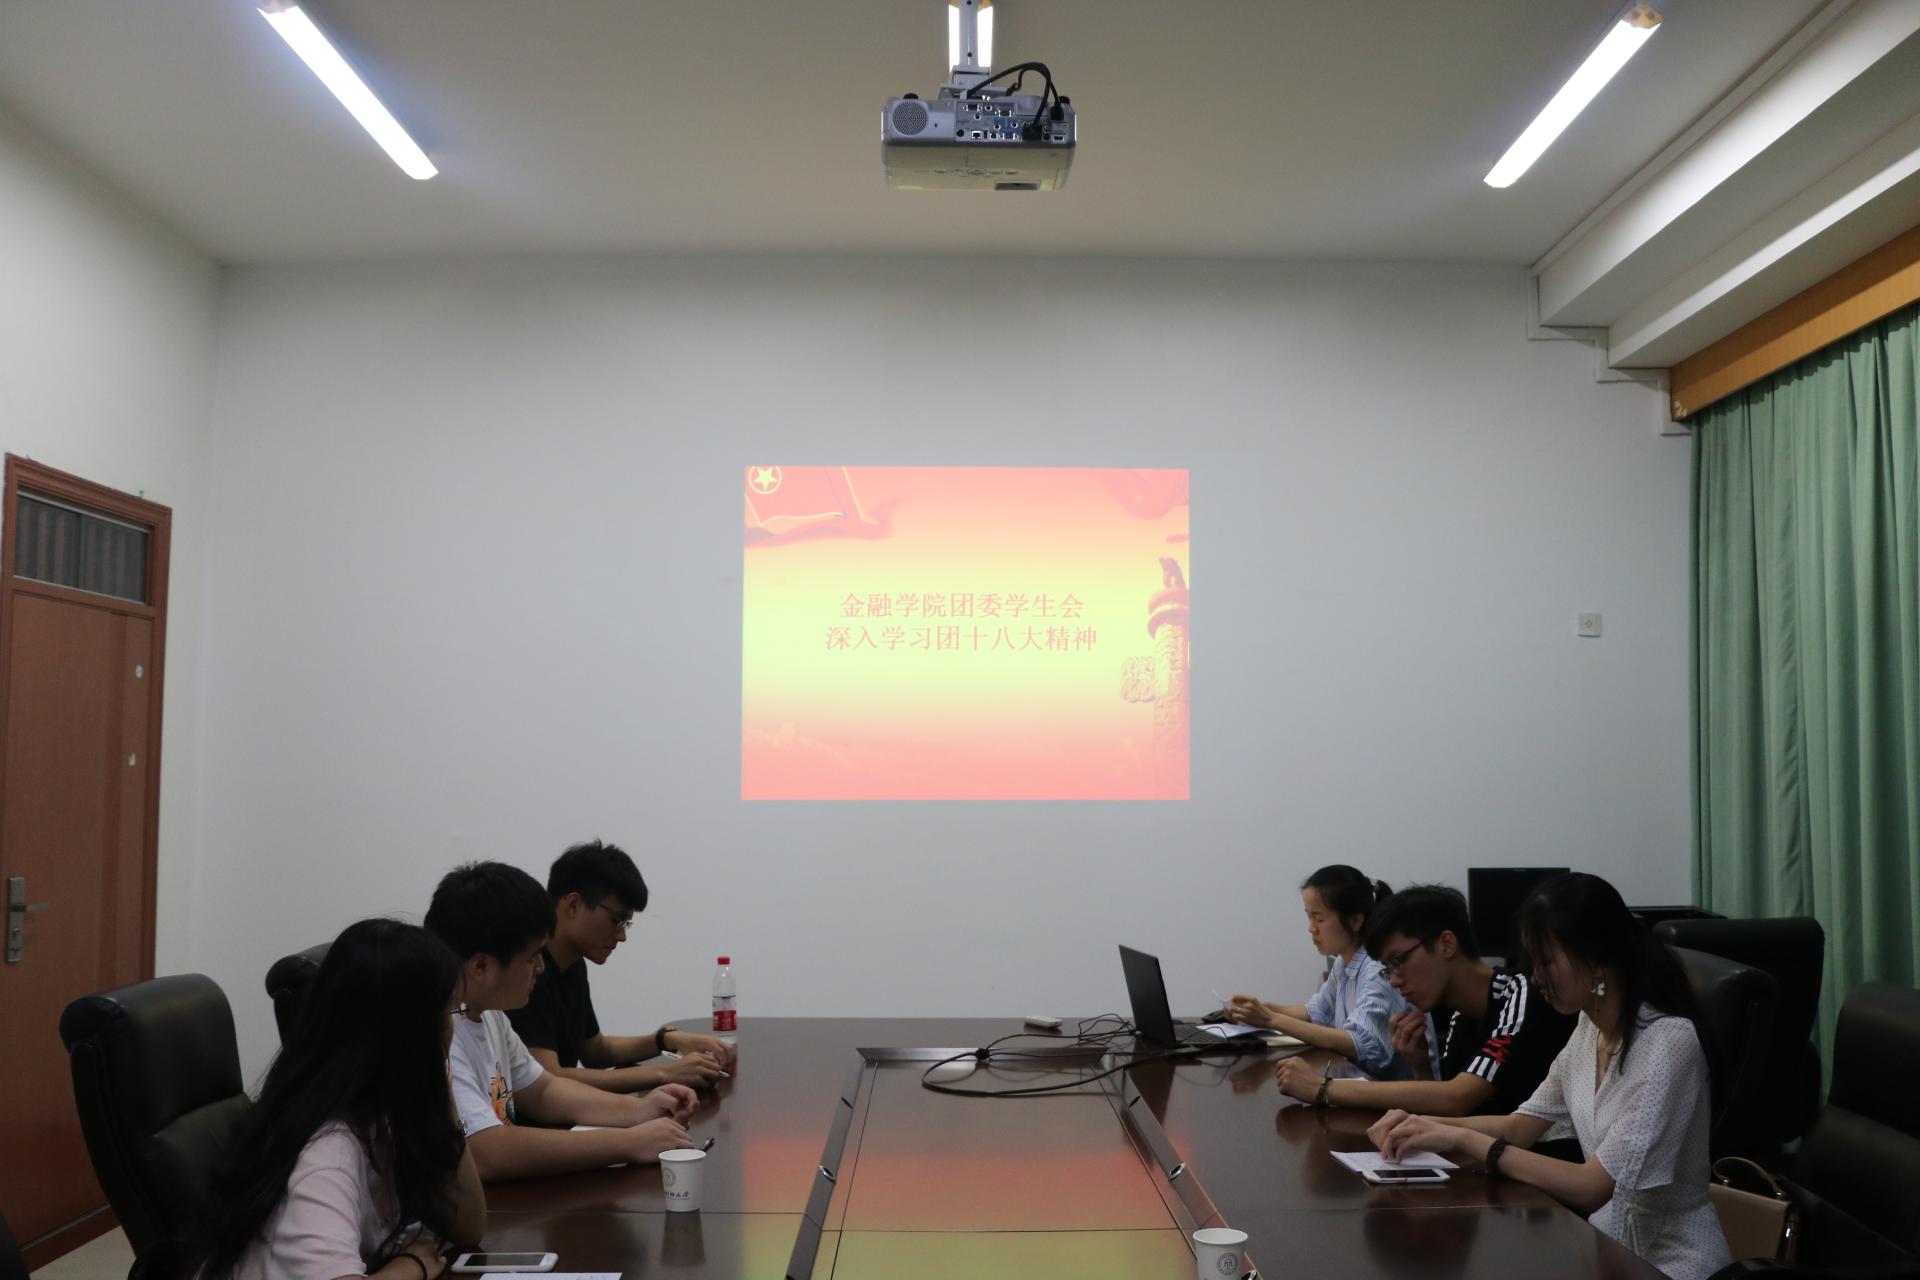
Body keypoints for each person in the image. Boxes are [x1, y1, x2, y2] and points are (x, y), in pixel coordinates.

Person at [1367, 872, 1730, 1280]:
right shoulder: (1589, 1028)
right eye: (1533, 962)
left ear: (1595, 957)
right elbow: (1520, 1126)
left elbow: (1590, 1186)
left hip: (1670, 1262)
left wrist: (1461, 1138)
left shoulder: (1668, 1043)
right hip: (1606, 1248)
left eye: (1546, 962)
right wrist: (1422, 1126)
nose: (1536, 977)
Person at [194, 918, 486, 1280]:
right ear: (410, 1037)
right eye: (447, 1013)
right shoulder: (325, 1153)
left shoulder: (379, 1117)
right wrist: (412, 1266)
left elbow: (468, 1226)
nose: (450, 1030)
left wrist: (441, 1095)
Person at [424, 861, 699, 1180]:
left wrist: (639, 1110)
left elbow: (544, 1091)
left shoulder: (491, 1015)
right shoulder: (437, 1034)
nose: (540, 968)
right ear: (481, 967)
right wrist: (630, 1142)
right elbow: (486, 1152)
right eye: (532, 958)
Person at [1273, 884, 1574, 1114]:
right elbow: (1445, 1105)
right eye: (1388, 968)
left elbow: (1459, 1097)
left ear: (1446, 944)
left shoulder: (1518, 993)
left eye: (1398, 961)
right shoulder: (1461, 1014)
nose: (1394, 980)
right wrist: (1420, 1066)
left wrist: (1324, 1088)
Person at [507, 840, 732, 1093]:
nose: (622, 936)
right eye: (617, 920)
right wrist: (666, 1073)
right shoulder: (527, 973)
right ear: (573, 905)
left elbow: (595, 1050)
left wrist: (666, 1039)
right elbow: (549, 1078)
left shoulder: (573, 965)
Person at [1225, 865, 1416, 1077]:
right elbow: (1315, 1012)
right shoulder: (1343, 963)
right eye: (1309, 917)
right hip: (1361, 1081)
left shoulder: (1377, 969)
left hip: (1396, 1092)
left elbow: (1359, 1043)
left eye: (1320, 919)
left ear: (1355, 921)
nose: (1312, 928)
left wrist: (1271, 1019)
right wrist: (1260, 1009)